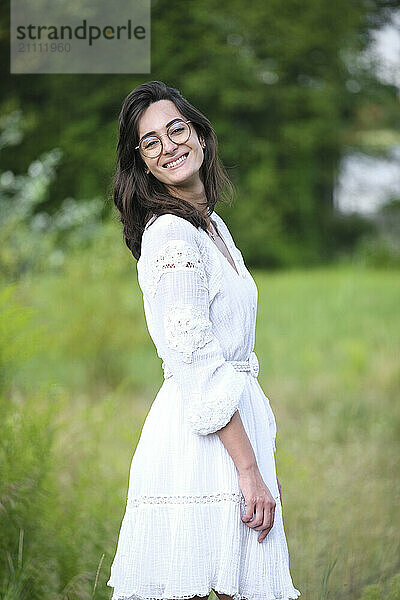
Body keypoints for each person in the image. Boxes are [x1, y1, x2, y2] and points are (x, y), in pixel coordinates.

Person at [107, 80, 301, 600]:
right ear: (143, 162)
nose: (168, 145)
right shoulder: (170, 235)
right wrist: (248, 468)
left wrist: (261, 460)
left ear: (200, 136)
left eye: (177, 129)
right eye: (151, 142)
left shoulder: (210, 225)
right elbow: (194, 360)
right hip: (202, 438)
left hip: (233, 428)